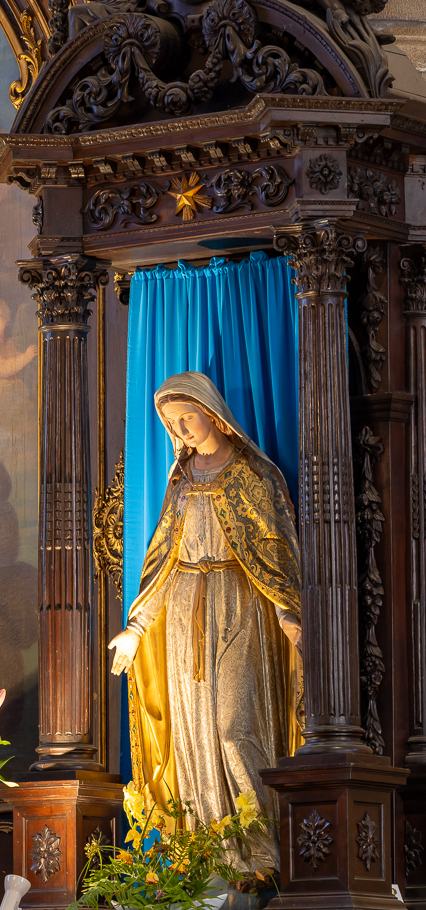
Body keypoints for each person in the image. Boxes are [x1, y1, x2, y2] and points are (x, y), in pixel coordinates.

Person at [108, 372, 302, 872]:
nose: (180, 429)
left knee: (236, 728)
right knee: (193, 735)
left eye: (185, 417)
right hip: (183, 612)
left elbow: (274, 551)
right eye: (171, 423)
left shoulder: (253, 475)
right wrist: (136, 627)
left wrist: (288, 613)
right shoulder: (181, 479)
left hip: (240, 605)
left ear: (211, 411)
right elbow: (162, 561)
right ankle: (212, 860)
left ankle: (262, 857)